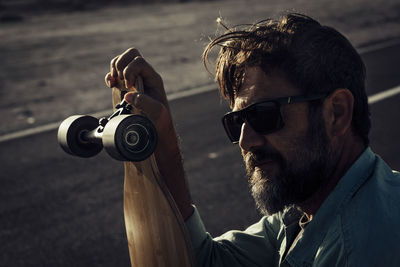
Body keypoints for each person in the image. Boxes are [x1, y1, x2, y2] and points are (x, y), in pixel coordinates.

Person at [105, 13, 400, 267]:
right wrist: (162, 140)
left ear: (336, 113)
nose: (246, 141)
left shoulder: (360, 249)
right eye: (237, 122)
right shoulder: (312, 208)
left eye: (264, 116)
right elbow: (206, 261)